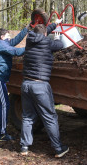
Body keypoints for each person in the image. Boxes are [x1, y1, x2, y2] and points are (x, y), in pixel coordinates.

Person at [19, 20, 69, 158]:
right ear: (46, 34)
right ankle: (58, 148)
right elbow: (60, 45)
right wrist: (57, 36)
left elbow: (42, 31)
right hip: (40, 85)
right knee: (49, 117)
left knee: (28, 116)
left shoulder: (29, 40)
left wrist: (55, 23)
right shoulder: (47, 42)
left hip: (26, 84)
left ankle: (24, 146)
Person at [0, 25, 29, 141]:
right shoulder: (1, 45)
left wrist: (26, 29)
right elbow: (16, 51)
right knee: (4, 104)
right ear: (2, 37)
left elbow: (15, 41)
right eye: (8, 36)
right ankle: (2, 134)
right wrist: (30, 47)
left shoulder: (2, 43)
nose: (10, 38)